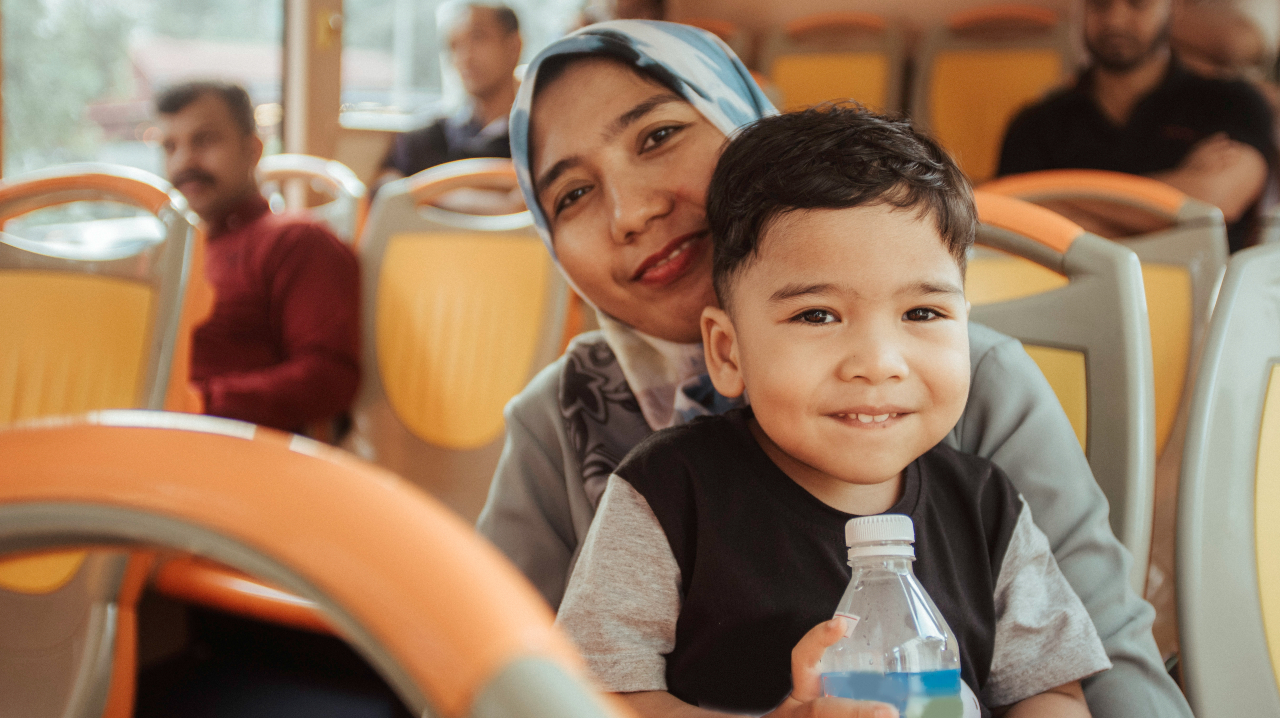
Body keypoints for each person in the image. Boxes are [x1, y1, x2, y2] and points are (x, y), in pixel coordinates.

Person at [477, 20, 1191, 718]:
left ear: (744, 125)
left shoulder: (974, 386)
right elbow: (492, 672)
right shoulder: (564, 418)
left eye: (659, 136)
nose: (630, 212)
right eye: (571, 194)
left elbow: (1092, 659)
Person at [554, 104, 1111, 718]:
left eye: (922, 313)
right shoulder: (665, 493)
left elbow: (1049, 689)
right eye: (816, 315)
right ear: (727, 350)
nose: (878, 362)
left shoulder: (988, 509)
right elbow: (594, 698)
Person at [156, 81, 360, 434]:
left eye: (204, 140)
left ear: (253, 150)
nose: (183, 161)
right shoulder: (170, 253)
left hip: (235, 455)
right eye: (170, 146)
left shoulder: (297, 241)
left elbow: (328, 378)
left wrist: (196, 402)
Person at [997, 0, 1276, 251]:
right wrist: (1175, 202)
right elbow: (1008, 224)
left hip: (1206, 301)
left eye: (1137, 4)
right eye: (1100, 4)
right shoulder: (1035, 124)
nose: (1115, 20)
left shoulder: (1232, 102)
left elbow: (1215, 200)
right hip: (1070, 303)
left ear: (1174, 7)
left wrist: (1061, 205)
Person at [376, 2, 521, 188]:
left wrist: (423, 193)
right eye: (454, 46)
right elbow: (386, 189)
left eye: (478, 38)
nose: (465, 57)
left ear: (514, 46)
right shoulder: (428, 136)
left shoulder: (536, 137)